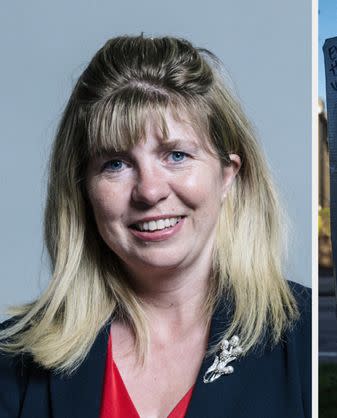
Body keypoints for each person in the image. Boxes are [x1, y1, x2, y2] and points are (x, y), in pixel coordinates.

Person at [0, 35, 310, 418]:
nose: (149, 191)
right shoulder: (13, 361)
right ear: (82, 189)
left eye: (177, 155)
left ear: (227, 175)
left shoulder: (304, 342)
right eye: (115, 163)